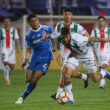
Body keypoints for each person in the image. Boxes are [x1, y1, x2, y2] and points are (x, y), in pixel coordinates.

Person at [60, 27, 110, 103]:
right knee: (66, 74)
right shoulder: (59, 37)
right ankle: (70, 99)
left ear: (69, 34)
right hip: (75, 55)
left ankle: (104, 73)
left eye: (67, 37)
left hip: (87, 55)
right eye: (63, 38)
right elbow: (51, 35)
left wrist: (104, 40)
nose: (65, 39)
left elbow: (91, 38)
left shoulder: (78, 39)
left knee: (95, 79)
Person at [50, 8, 90, 101]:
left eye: (69, 14)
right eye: (65, 14)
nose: (67, 16)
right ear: (63, 15)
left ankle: (61, 94)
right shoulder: (59, 26)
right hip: (64, 54)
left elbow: (87, 36)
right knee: (68, 74)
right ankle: (84, 76)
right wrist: (54, 46)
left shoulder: (77, 27)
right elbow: (54, 36)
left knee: (65, 72)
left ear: (71, 15)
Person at [15, 14, 53, 104]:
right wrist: (25, 60)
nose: (35, 22)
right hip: (34, 57)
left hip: (45, 57)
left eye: (36, 20)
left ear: (38, 20)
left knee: (34, 79)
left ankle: (22, 97)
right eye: (33, 21)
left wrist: (54, 46)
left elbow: (53, 36)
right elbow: (28, 50)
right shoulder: (28, 35)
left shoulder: (47, 28)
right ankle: (28, 67)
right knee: (28, 79)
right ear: (29, 23)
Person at [91, 16, 110, 88]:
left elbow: (108, 39)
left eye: (102, 21)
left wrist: (106, 39)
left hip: (107, 52)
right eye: (99, 21)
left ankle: (102, 83)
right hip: (98, 52)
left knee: (103, 66)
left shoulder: (109, 30)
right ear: (97, 22)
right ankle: (103, 81)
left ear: (104, 22)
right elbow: (92, 39)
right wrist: (101, 39)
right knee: (101, 67)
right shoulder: (94, 31)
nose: (101, 22)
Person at [0, 17, 20, 85]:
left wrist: (18, 47)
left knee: (12, 66)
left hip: (12, 50)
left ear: (10, 23)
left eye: (8, 21)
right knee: (5, 63)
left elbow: (17, 39)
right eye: (5, 21)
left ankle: (10, 72)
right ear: (3, 23)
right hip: (3, 49)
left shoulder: (14, 30)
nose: (6, 22)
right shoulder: (0, 31)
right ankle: (7, 80)